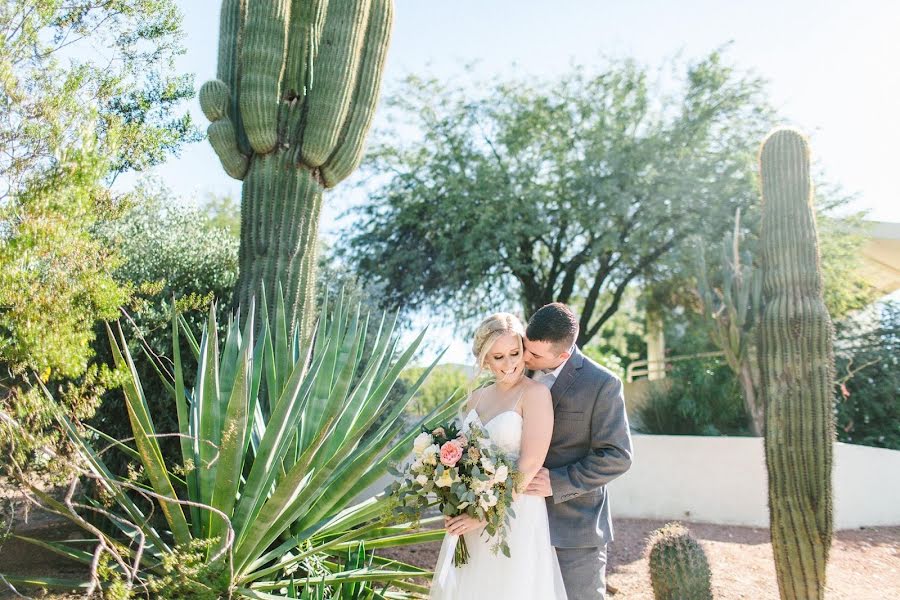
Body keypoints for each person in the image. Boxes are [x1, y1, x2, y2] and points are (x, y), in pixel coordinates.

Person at [429, 312, 568, 599]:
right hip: (470, 515)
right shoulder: (475, 397)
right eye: (498, 357)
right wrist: (453, 498)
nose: (509, 364)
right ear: (485, 360)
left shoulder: (536, 394)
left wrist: (482, 517)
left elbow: (529, 466)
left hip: (515, 516)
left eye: (515, 353)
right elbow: (461, 457)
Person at [523, 302, 634, 600]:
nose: (524, 356)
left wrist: (556, 482)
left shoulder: (603, 385)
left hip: (576, 530)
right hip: (523, 524)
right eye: (525, 346)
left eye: (534, 354)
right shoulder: (517, 373)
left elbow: (618, 456)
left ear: (563, 354)